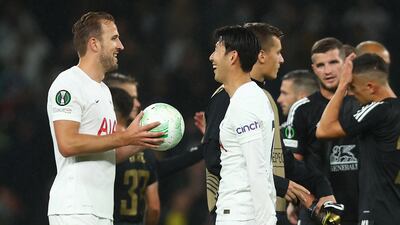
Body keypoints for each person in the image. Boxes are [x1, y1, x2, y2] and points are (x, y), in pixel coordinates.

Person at [196, 23, 335, 225]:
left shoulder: (254, 98)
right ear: (260, 55)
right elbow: (214, 157)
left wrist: (320, 185)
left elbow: (274, 157)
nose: (281, 59)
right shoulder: (227, 97)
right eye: (278, 52)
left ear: (233, 56)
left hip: (252, 210)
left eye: (216, 50)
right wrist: (281, 186)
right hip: (241, 208)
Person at [46, 12, 163, 225]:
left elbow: (108, 152)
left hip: (100, 211)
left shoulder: (103, 91)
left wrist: (140, 141)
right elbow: (67, 143)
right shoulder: (68, 83)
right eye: (114, 38)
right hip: (76, 209)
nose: (121, 45)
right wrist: (125, 137)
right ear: (94, 44)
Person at [316, 53, 400, 225]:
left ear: (370, 87)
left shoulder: (376, 110)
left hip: (379, 210)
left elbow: (323, 129)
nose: (351, 94)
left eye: (353, 87)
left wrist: (341, 86)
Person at [285, 37, 360, 225]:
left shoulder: (363, 105)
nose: (327, 71)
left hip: (360, 208)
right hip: (317, 211)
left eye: (333, 62)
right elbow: (294, 165)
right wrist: (305, 202)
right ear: (313, 69)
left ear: (346, 63)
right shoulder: (302, 109)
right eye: (320, 65)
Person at [209, 24, 276, 225]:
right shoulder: (249, 97)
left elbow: (256, 168)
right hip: (241, 213)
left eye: (216, 50)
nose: (211, 57)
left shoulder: (246, 102)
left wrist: (267, 221)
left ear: (232, 57)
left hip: (242, 216)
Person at [105, 74, 160, 225]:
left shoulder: (99, 148)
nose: (136, 103)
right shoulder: (146, 149)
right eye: (130, 97)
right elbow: (154, 208)